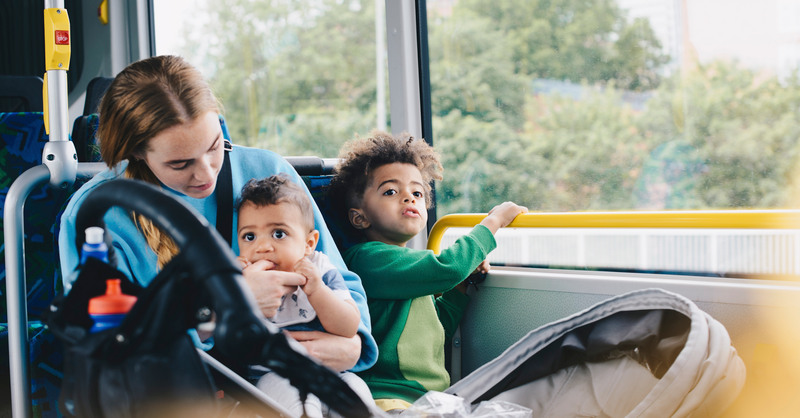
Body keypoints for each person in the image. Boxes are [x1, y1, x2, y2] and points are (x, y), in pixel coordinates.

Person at [57, 55, 378, 377]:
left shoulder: (268, 170)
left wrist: (352, 343)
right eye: (180, 164)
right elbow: (107, 344)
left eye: (213, 147)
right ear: (137, 151)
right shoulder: (97, 213)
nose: (206, 173)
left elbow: (337, 276)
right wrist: (225, 306)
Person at [326, 130, 528, 411]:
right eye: (391, 191)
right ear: (360, 217)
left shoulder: (408, 266)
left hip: (428, 399)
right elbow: (448, 267)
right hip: (386, 397)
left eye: (417, 192)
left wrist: (458, 292)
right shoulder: (367, 260)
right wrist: (492, 223)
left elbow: (430, 334)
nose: (409, 198)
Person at [235, 174, 373, 416]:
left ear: (309, 244)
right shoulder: (239, 277)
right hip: (269, 377)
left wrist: (317, 291)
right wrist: (238, 291)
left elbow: (348, 327)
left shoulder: (320, 269)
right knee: (297, 394)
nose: (262, 247)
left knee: (356, 390)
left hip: (332, 371)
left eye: (278, 234)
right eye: (249, 236)